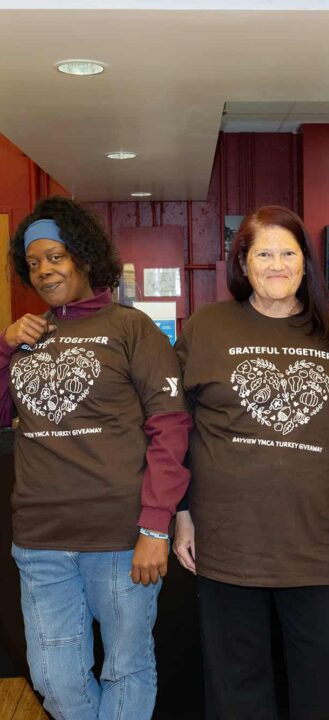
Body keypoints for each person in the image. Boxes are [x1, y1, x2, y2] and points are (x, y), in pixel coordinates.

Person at [0, 196, 191, 720]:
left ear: (82, 257)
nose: (44, 271)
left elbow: (170, 429)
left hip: (118, 540)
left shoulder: (133, 330)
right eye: (34, 263)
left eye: (55, 257)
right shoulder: (27, 339)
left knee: (125, 668)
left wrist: (155, 529)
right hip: (39, 543)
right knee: (54, 681)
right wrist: (4, 346)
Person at [173, 205, 329, 720]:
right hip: (228, 540)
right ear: (242, 263)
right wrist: (181, 512)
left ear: (306, 263)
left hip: (315, 542)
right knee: (237, 688)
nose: (276, 265)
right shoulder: (207, 327)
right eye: (263, 254)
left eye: (287, 253)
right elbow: (176, 428)